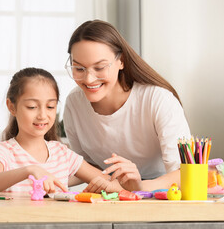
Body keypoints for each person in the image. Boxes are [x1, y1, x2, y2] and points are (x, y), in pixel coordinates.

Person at [63, 20, 191, 192]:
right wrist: (48, 177)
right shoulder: (74, 102)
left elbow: (185, 172)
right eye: (79, 69)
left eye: (99, 67)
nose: (89, 79)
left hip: (161, 194)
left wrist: (136, 188)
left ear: (121, 61)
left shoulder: (157, 99)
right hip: (112, 195)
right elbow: (84, 166)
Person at [0, 67, 123, 194]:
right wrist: (31, 170)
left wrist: (117, 182)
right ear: (12, 107)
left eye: (50, 107)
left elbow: (110, 183)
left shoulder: (62, 154)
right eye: (32, 107)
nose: (42, 115)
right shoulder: (3, 152)